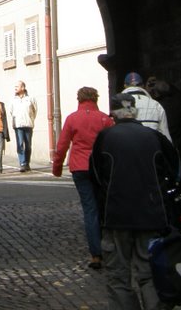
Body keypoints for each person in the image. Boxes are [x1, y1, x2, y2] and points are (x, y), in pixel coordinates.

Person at [90, 92, 181, 310]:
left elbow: (94, 176)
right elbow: (177, 170)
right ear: (135, 111)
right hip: (151, 215)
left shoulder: (104, 138)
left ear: (113, 113)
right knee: (149, 272)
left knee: (118, 275)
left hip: (116, 215)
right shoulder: (153, 136)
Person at [52, 86, 113, 269]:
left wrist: (57, 167)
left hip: (80, 167)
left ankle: (96, 255)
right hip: (100, 168)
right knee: (104, 206)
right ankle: (111, 247)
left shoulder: (72, 119)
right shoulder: (105, 119)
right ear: (95, 98)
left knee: (90, 209)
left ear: (79, 99)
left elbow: (62, 145)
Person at [122, 72, 171, 139]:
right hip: (152, 147)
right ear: (142, 85)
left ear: (125, 86)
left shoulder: (119, 105)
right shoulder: (156, 105)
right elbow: (165, 135)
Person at [10, 80, 37, 171]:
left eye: (17, 86)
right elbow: (11, 111)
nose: (15, 88)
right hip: (18, 125)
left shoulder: (30, 98)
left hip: (28, 124)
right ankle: (22, 163)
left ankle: (27, 163)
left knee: (28, 145)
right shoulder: (13, 99)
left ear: (23, 88)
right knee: (20, 144)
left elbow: (34, 110)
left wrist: (31, 119)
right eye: (15, 87)